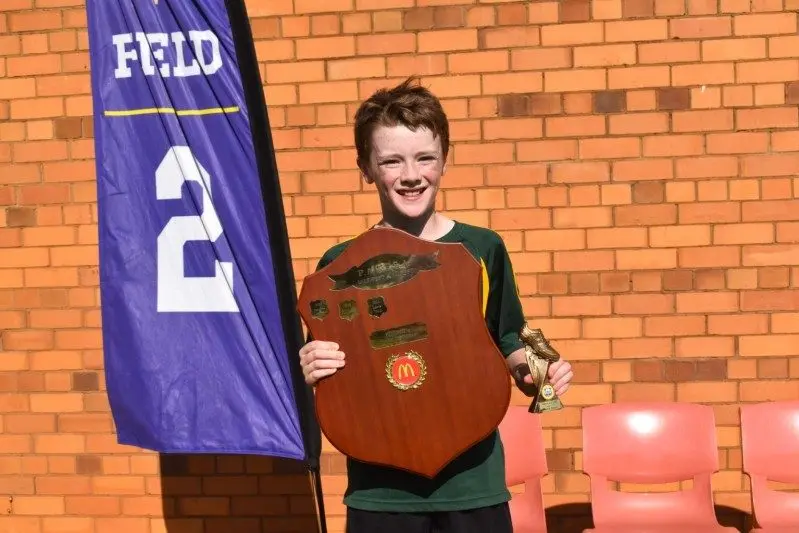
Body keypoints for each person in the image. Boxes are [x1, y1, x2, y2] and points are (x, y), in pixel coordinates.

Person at [298, 77, 574, 533]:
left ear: (446, 158)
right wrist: (311, 365)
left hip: (473, 481)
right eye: (392, 161)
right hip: (378, 488)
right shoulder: (340, 265)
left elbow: (508, 334)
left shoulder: (482, 248)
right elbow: (334, 368)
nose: (411, 175)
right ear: (366, 168)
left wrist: (535, 371)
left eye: (425, 157)